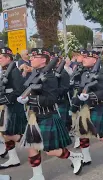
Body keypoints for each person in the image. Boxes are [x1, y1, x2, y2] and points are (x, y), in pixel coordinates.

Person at [17, 48, 83, 179]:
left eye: (34, 57)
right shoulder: (34, 73)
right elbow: (27, 88)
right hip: (33, 116)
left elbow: (52, 99)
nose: (31, 59)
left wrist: (30, 99)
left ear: (43, 60)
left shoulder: (50, 76)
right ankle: (38, 175)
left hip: (47, 115)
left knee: (51, 150)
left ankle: (74, 157)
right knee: (31, 147)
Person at [70, 49, 103, 167]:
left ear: (95, 60)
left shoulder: (102, 73)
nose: (83, 59)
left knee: (100, 135)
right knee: (82, 133)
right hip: (84, 108)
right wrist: (74, 105)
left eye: (87, 58)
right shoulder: (84, 73)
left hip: (97, 106)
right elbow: (80, 89)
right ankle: (86, 157)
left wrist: (89, 96)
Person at [0, 47, 27, 169]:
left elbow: (19, 90)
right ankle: (13, 158)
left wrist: (5, 99)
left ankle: (30, 141)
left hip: (13, 107)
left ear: (8, 58)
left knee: (9, 133)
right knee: (4, 133)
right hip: (6, 106)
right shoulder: (5, 70)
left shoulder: (14, 71)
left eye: (1, 58)